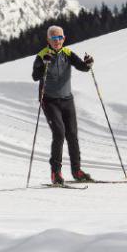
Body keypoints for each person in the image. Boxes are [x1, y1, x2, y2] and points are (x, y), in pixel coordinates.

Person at [32, 25, 95, 184]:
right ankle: (56, 173)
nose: (57, 41)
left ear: (64, 39)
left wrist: (88, 64)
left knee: (72, 135)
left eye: (60, 37)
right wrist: (43, 65)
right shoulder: (42, 55)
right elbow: (35, 76)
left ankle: (77, 171)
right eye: (54, 38)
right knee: (59, 133)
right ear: (48, 40)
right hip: (49, 100)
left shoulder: (67, 53)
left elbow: (82, 67)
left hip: (67, 99)